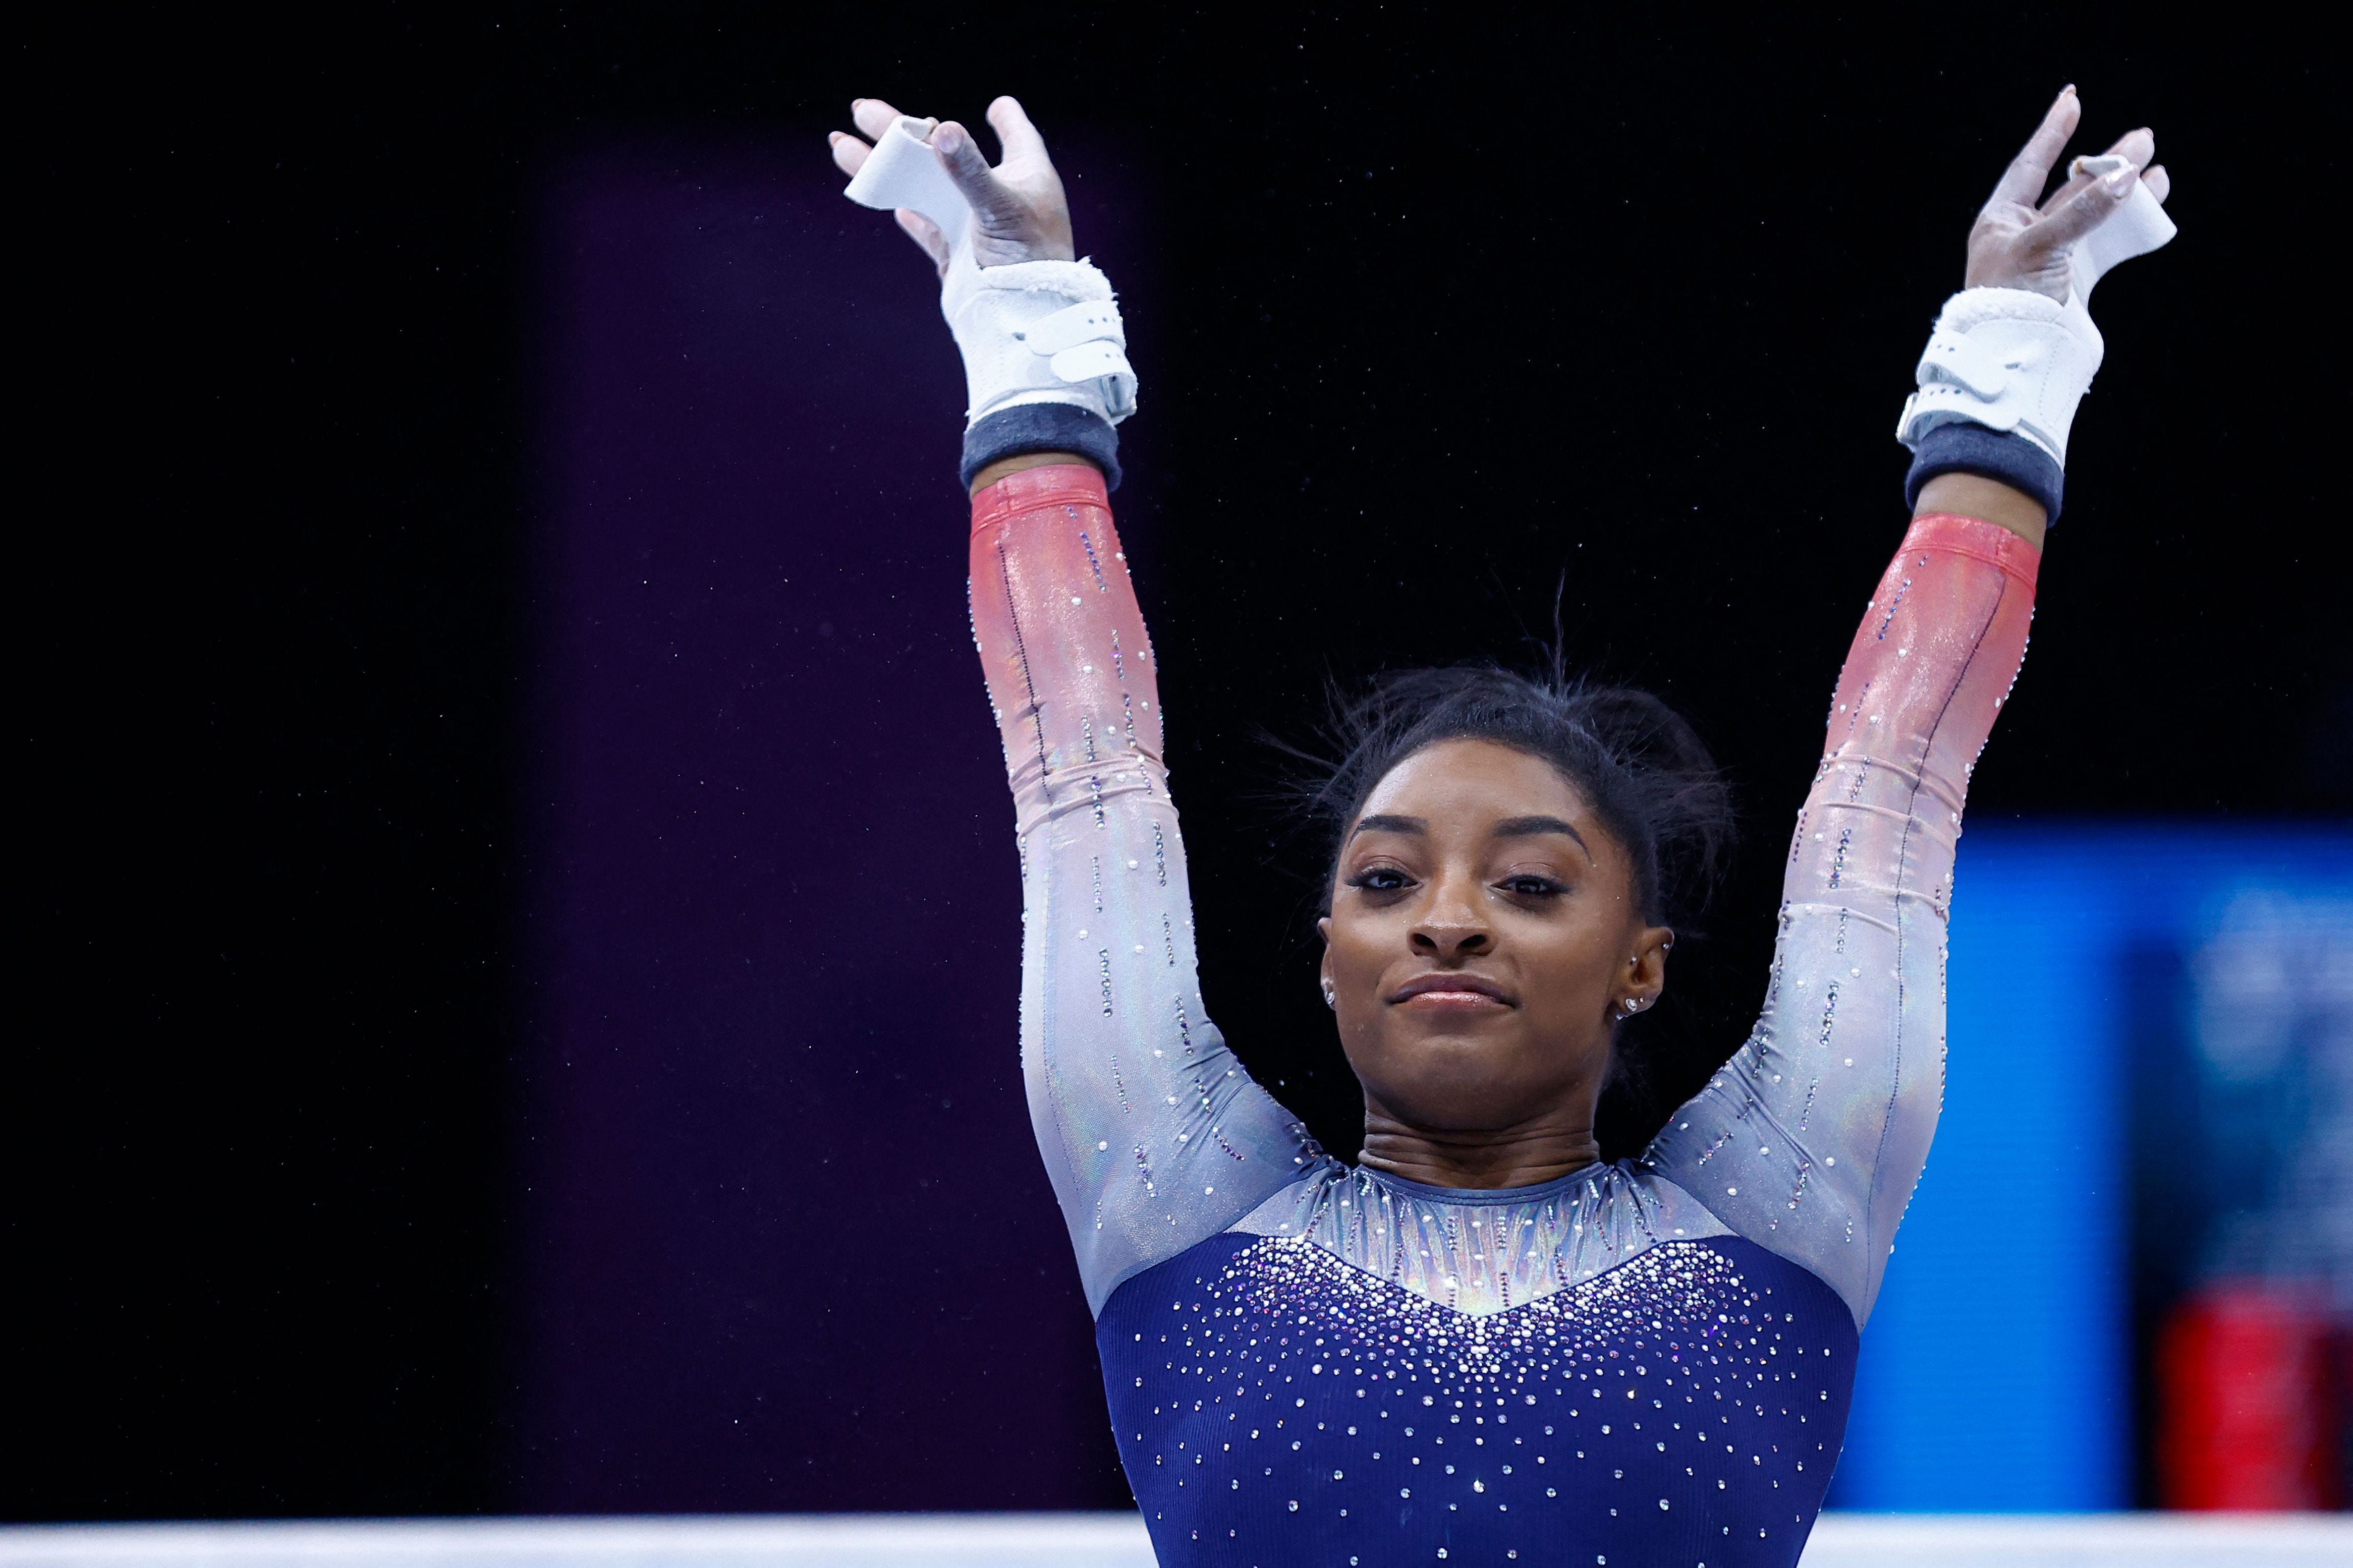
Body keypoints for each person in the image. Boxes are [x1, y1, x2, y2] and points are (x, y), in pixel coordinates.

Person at [828, 86, 2170, 1568]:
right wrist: (1026, 327)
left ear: (1640, 965)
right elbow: (1078, 766)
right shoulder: (1169, 1186)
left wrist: (2018, 352)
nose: (1448, 918)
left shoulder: (1789, 1203)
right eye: (1388, 880)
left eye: (1532, 885)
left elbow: (1896, 781)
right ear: (1328, 952)